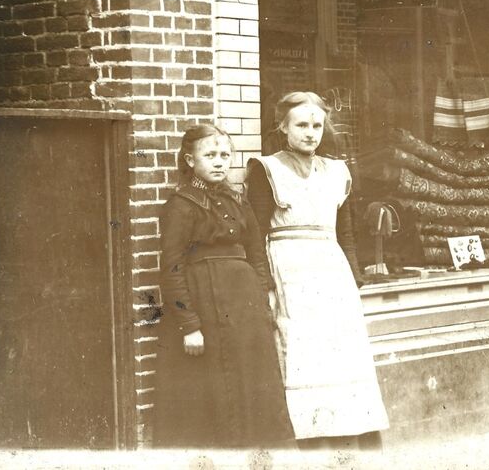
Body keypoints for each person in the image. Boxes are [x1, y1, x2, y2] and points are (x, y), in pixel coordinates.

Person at [246, 91, 389, 446]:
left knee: (340, 352)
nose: (310, 132)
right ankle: (309, 439)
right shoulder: (266, 169)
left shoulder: (337, 171)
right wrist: (264, 285)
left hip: (331, 271)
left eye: (316, 125)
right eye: (301, 125)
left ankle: (345, 432)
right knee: (301, 351)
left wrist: (353, 278)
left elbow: (346, 232)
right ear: (283, 127)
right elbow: (255, 233)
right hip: (291, 270)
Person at [154, 124, 294, 448]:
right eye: (210, 155)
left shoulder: (238, 200)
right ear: (190, 160)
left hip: (244, 309)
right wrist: (189, 325)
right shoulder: (181, 205)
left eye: (225, 155)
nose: (219, 162)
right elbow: (171, 268)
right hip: (205, 304)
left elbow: (257, 253)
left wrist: (263, 300)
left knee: (252, 387)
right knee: (216, 391)